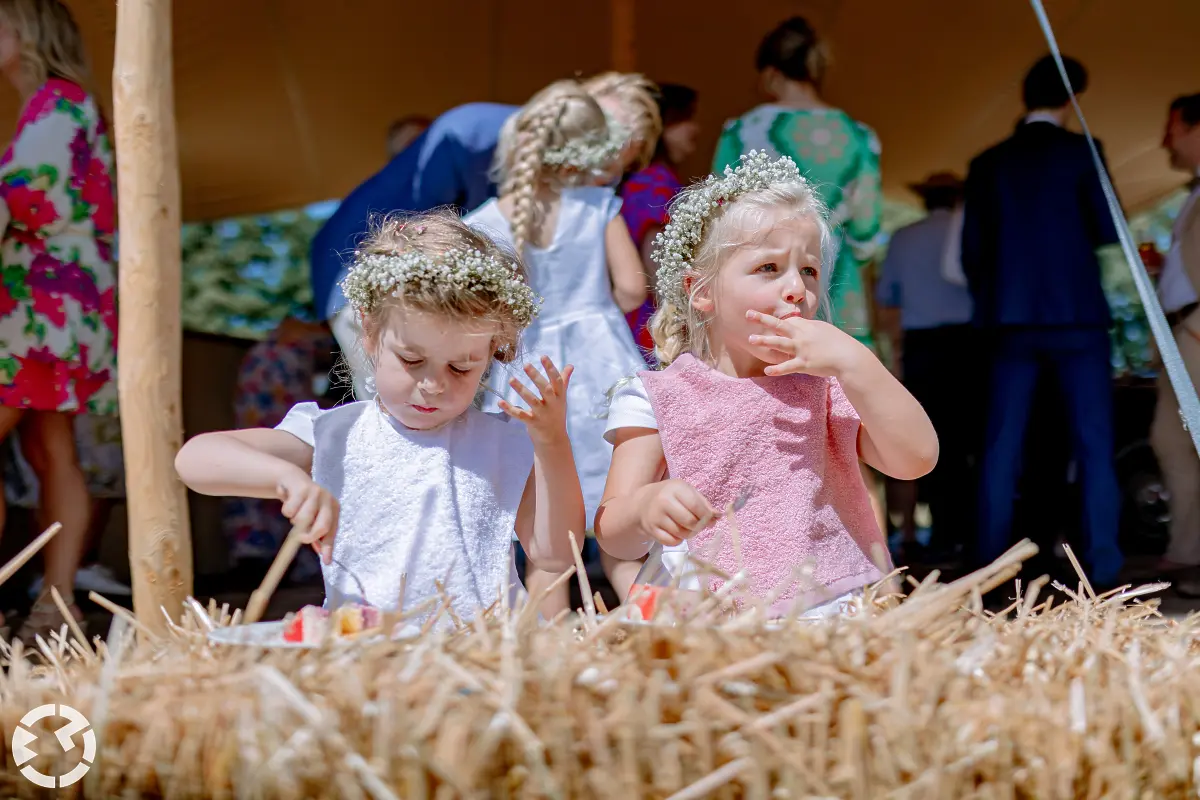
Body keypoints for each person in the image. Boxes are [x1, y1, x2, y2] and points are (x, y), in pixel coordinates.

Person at [175, 211, 585, 624]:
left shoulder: (503, 442)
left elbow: (555, 553)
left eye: (461, 368)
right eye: (412, 359)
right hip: (368, 654)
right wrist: (285, 478)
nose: (433, 384)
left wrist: (552, 443)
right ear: (369, 334)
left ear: (491, 352)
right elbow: (195, 459)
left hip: (485, 653)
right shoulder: (336, 434)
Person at [595, 152, 938, 614]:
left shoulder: (829, 384)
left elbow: (914, 460)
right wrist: (644, 508)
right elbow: (612, 531)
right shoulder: (659, 396)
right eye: (769, 268)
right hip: (700, 611)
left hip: (823, 606)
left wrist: (860, 364)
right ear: (703, 292)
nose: (797, 288)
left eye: (810, 271)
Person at [312, 74, 661, 400]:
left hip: (519, 352)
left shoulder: (492, 211)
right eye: (609, 149)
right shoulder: (473, 136)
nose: (608, 173)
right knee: (406, 407)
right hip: (368, 270)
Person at [467, 80, 648, 615]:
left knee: (542, 524)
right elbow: (634, 288)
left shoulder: (484, 222)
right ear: (590, 147)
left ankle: (552, 646)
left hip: (527, 371)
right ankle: (654, 619)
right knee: (617, 509)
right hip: (599, 362)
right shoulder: (597, 207)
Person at [961, 55, 1123, 587]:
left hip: (1009, 320)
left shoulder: (988, 162)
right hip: (1077, 316)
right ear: (1072, 97)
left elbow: (972, 253)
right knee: (1095, 446)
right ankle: (1106, 573)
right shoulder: (1084, 152)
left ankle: (986, 573)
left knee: (1000, 446)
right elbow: (1107, 227)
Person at [0, 0, 117, 640]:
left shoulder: (58, 102)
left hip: (40, 309)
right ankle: (57, 604)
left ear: (29, 29)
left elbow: (28, 199)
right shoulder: (55, 105)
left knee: (49, 452)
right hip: (57, 308)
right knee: (51, 450)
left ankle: (53, 601)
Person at [713, 17, 881, 348]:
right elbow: (866, 233)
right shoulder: (860, 137)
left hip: (766, 281)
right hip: (837, 281)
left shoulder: (743, 131)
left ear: (770, 73)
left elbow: (719, 215)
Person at [875, 172, 976, 565]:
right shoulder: (969, 231)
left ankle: (939, 533)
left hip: (924, 349)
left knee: (928, 435)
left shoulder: (903, 237)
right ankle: (966, 532)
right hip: (968, 345)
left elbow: (887, 295)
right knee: (967, 438)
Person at [220, 311, 337, 588]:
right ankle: (267, 558)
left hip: (265, 411)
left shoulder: (277, 346)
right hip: (275, 411)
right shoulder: (302, 340)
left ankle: (260, 555)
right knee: (281, 476)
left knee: (270, 480)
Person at [1150, 93, 1200, 595]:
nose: (1165, 140)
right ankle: (1189, 554)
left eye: (1172, 127)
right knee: (1171, 439)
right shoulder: (1192, 192)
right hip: (1182, 331)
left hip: (1196, 330)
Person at [621, 84, 700, 362]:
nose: (696, 128)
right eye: (685, 119)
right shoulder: (653, 184)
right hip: (653, 325)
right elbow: (658, 271)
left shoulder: (650, 180)